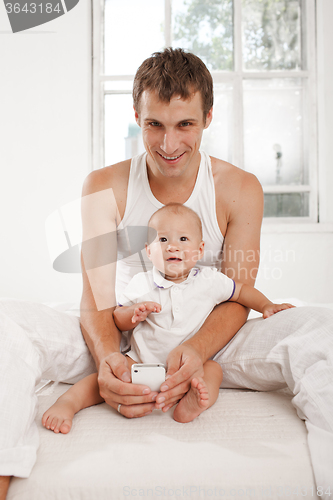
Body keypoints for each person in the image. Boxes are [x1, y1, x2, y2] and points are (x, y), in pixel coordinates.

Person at [0, 47, 332, 499]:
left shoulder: (240, 188)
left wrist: (195, 350)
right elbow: (96, 295)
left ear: (208, 117)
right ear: (136, 115)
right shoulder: (104, 185)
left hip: (216, 339)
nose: (169, 144)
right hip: (123, 335)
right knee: (5, 324)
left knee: (324, 328)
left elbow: (238, 294)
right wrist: (107, 364)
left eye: (185, 125)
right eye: (154, 124)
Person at [42, 203, 294, 431]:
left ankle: (194, 404)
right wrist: (133, 314)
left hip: (188, 367)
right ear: (148, 251)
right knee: (107, 375)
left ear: (199, 250)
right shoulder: (141, 283)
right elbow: (117, 319)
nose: (172, 246)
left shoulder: (209, 280)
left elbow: (240, 291)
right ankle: (68, 403)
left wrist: (266, 305)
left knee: (213, 370)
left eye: (183, 239)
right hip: (141, 364)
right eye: (162, 239)